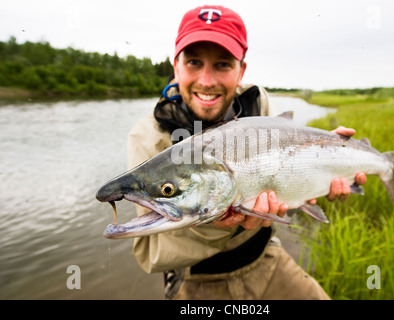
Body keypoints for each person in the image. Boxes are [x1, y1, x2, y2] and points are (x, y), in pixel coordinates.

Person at [127, 5, 367, 300]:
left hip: (265, 260)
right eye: (193, 62)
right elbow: (149, 254)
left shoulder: (258, 102)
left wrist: (329, 161)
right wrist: (218, 222)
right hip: (195, 282)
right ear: (175, 66)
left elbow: (292, 158)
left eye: (223, 64)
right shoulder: (147, 136)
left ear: (241, 70)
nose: (206, 80)